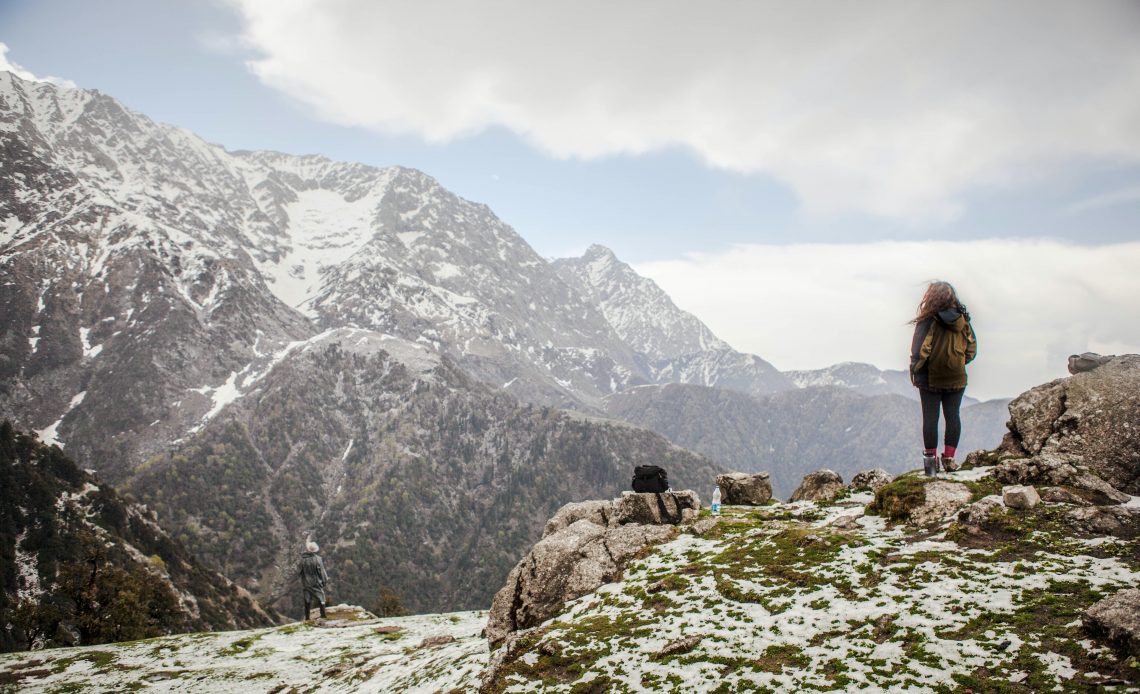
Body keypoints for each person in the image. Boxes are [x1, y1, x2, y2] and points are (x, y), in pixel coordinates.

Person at [909, 281, 977, 476]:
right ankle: (949, 459)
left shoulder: (928, 320)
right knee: (953, 416)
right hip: (957, 377)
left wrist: (916, 370)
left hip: (930, 378)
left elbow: (920, 349)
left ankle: (930, 466)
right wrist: (958, 363)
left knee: (930, 418)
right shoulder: (963, 320)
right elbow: (971, 348)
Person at [298, 540, 328, 621]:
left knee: (307, 599)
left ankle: (307, 618)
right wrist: (324, 581)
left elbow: (299, 571)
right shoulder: (318, 559)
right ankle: (323, 615)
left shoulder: (302, 559)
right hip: (316, 582)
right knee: (321, 597)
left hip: (306, 583)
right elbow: (322, 572)